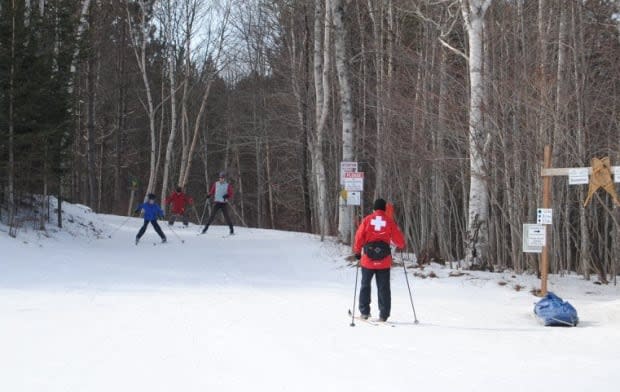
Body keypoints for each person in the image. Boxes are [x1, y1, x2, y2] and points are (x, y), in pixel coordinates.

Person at [353, 198, 405, 322]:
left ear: (374, 209)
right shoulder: (389, 221)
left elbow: (359, 236)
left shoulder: (367, 220)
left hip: (368, 261)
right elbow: (399, 240)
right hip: (384, 261)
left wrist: (357, 252)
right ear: (384, 209)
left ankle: (365, 312)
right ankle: (384, 315)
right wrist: (401, 245)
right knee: (384, 287)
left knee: (365, 285)